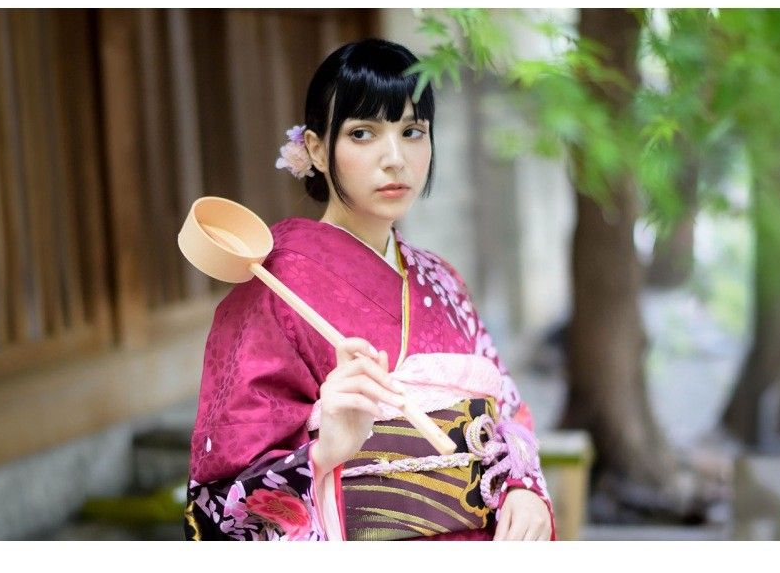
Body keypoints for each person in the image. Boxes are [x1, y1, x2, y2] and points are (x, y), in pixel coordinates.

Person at [184, 37, 555, 541]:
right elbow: (221, 493)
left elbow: (508, 411)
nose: (395, 158)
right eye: (363, 133)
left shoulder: (440, 278)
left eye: (413, 131)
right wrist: (323, 451)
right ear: (316, 148)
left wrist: (523, 486)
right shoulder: (270, 287)